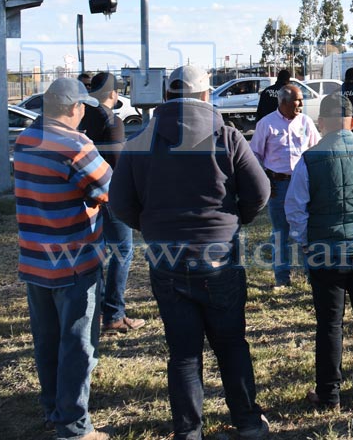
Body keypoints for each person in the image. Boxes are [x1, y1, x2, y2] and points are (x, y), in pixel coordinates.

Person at [110, 65, 271, 440]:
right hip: (220, 259)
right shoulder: (228, 138)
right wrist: (235, 219)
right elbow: (259, 192)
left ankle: (189, 432)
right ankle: (248, 423)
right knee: (231, 344)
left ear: (167, 95)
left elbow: (119, 203)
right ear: (206, 95)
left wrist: (151, 228)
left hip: (167, 261)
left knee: (183, 353)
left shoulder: (139, 142)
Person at [285, 93, 353, 410]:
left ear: (322, 123)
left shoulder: (309, 159)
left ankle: (329, 393)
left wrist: (306, 242)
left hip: (325, 254)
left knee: (330, 324)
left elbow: (295, 210)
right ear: (352, 122)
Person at [15, 77, 112, 440]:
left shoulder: (25, 139)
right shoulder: (76, 143)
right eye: (82, 106)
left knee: (47, 340)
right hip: (74, 260)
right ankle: (73, 426)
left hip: (34, 257)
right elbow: (108, 189)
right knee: (78, 344)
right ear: (74, 109)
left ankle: (53, 409)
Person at [79, 72, 146, 334]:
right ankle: (114, 314)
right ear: (113, 94)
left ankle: (93, 313)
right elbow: (117, 165)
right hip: (110, 196)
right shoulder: (112, 120)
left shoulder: (81, 116)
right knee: (122, 253)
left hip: (84, 195)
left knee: (96, 254)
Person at [249, 83, 320, 287]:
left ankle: (312, 275)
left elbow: (316, 151)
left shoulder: (306, 122)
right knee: (281, 233)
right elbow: (254, 155)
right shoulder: (266, 124)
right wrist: (265, 179)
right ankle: (282, 279)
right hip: (278, 186)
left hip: (303, 186)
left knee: (308, 230)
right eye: (298, 101)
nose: (301, 104)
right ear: (283, 102)